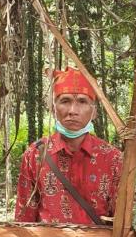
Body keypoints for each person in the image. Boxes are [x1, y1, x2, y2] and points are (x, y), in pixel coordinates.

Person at [15, 67, 122, 224]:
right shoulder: (35, 155)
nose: (73, 111)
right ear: (53, 109)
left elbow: (120, 221)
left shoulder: (112, 158)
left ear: (94, 112)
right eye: (65, 101)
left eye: (82, 102)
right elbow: (24, 221)